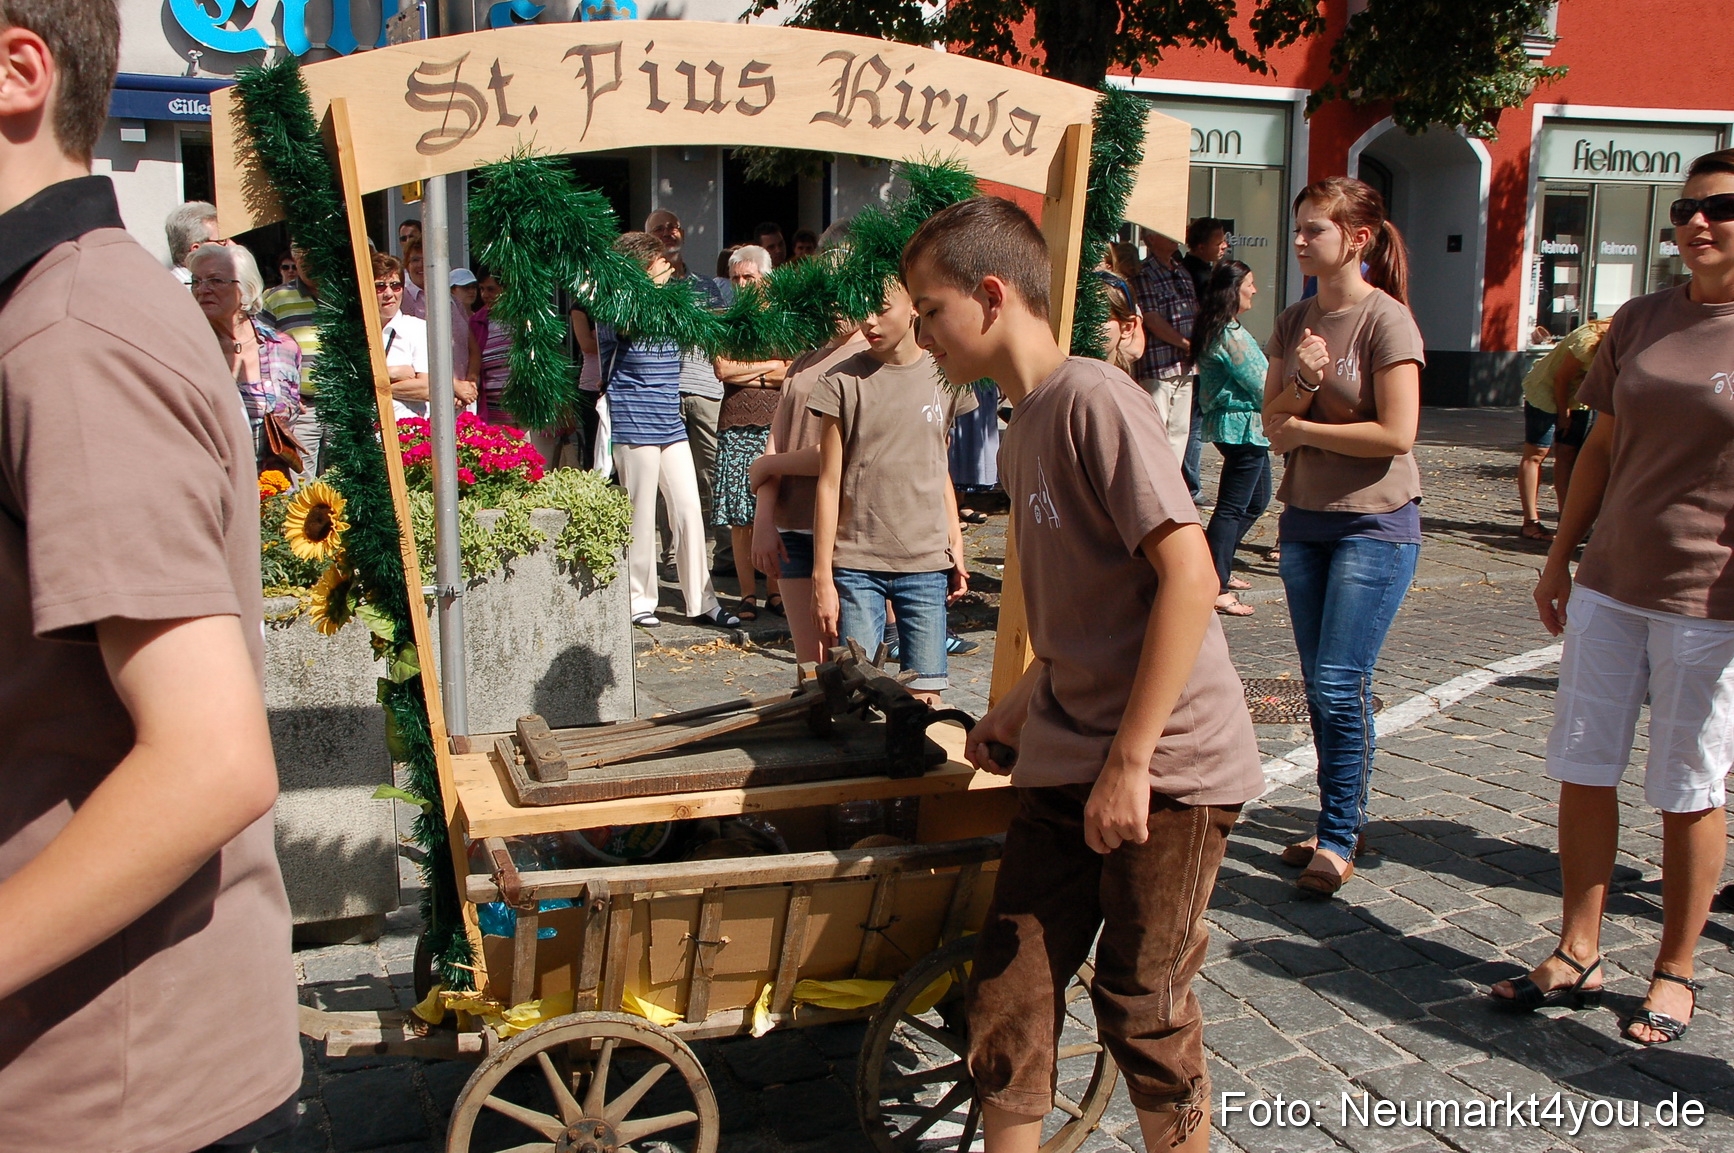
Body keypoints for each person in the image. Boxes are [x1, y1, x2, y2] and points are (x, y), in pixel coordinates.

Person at [0, 4, 302, 1149]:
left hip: (106, 1088)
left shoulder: (67, 333)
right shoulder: (65, 308)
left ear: (17, 68)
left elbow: (210, 763)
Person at [904, 197, 1261, 1153]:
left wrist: (1131, 762)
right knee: (1009, 984)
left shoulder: (1096, 396)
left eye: (929, 311)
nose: (921, 333)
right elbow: (1081, 622)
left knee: (1142, 1004)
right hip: (1069, 755)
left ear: (989, 296)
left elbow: (1189, 573)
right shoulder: (1023, 429)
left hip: (1170, 769)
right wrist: (1016, 710)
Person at [1489, 150, 1734, 1046]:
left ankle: (1675, 968)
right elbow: (1595, 449)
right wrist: (1560, 558)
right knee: (1584, 764)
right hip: (1612, 581)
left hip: (1711, 599)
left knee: (1688, 784)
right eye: (1685, 210)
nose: (1697, 224)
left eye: (1720, 208)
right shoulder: (1639, 319)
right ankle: (1578, 948)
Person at [1261, 177, 1424, 897]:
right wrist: (1301, 376)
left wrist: (1306, 428)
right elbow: (1272, 419)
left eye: (1314, 230)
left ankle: (1336, 834)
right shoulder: (1296, 318)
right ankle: (1340, 817)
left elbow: (1397, 433)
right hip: (1305, 520)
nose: (1301, 240)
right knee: (1320, 686)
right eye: (1298, 228)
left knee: (1337, 682)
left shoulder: (1388, 321)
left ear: (1356, 240)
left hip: (1375, 524)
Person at [810, 278, 973, 704]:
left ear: (914, 306)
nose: (869, 321)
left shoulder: (947, 376)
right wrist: (822, 577)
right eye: (862, 308)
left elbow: (939, 466)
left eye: (881, 308)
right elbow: (828, 484)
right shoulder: (841, 382)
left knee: (925, 698)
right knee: (858, 695)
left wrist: (955, 541)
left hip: (924, 565)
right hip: (857, 564)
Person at [600, 232, 739, 629]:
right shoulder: (616, 306)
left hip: (669, 422)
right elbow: (629, 322)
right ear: (640, 267)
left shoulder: (671, 304)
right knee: (640, 514)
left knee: (689, 510)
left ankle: (703, 600)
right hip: (633, 422)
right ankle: (639, 600)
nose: (668, 266)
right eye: (659, 261)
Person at [751, 320, 871, 664]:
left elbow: (844, 452)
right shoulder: (805, 358)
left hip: (847, 527)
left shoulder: (869, 357)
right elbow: (776, 438)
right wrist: (764, 518)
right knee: (810, 663)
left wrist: (769, 466)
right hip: (792, 523)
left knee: (852, 659)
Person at [647, 209, 732, 571]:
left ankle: (727, 553)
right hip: (664, 390)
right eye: (660, 229)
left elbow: (719, 334)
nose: (670, 233)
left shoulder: (705, 285)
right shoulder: (644, 288)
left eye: (674, 227)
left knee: (715, 471)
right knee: (667, 478)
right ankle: (671, 554)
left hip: (705, 388)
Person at [712, 247, 790, 619]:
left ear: (765, 279)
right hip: (735, 422)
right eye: (736, 278)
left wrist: (752, 371)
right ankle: (746, 594)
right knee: (740, 516)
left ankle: (775, 591)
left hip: (775, 423)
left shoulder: (781, 320)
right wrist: (767, 370)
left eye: (749, 277)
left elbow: (789, 370)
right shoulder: (725, 322)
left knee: (775, 510)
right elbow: (723, 370)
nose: (741, 284)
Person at [1192, 261, 1270, 617]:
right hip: (1241, 428)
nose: (1255, 290)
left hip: (1248, 427)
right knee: (1234, 506)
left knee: (1256, 499)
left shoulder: (1226, 328)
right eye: (1250, 284)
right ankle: (1215, 583)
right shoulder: (1228, 334)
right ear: (1233, 290)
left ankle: (1215, 565)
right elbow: (1260, 382)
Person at [189, 243, 305, 475]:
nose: (202, 289)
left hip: (273, 493)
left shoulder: (282, 348)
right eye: (196, 281)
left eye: (215, 280)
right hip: (212, 487)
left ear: (246, 289)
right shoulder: (187, 348)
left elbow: (289, 417)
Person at [1515, 316, 1610, 542]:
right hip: (1546, 393)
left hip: (1579, 399)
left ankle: (1567, 520)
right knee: (1537, 454)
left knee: (1568, 454)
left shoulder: (1624, 342)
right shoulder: (1588, 342)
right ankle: (1530, 521)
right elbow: (1560, 379)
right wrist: (1563, 413)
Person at [1132, 227, 1201, 498]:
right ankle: (1149, 491)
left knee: (1180, 431)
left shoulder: (1181, 270)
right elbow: (1152, 318)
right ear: (1150, 239)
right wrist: (1184, 344)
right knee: (1155, 428)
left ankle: (1170, 491)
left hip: (1186, 365)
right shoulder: (1145, 272)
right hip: (1159, 363)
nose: (1175, 235)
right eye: (1165, 231)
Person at [262, 241, 326, 472]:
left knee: (344, 483)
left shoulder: (348, 295)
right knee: (300, 482)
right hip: (302, 408)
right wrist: (283, 393)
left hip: (343, 407)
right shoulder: (276, 299)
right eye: (301, 252)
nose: (308, 258)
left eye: (313, 250)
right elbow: (260, 349)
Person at [467, 270, 510, 419]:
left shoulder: (526, 319)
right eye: (482, 289)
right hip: (494, 413)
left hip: (530, 413)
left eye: (491, 289)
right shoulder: (476, 321)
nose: (485, 295)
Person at [163, 198, 229, 285]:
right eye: (222, 241)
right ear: (196, 250)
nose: (229, 246)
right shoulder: (192, 292)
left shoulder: (166, 282)